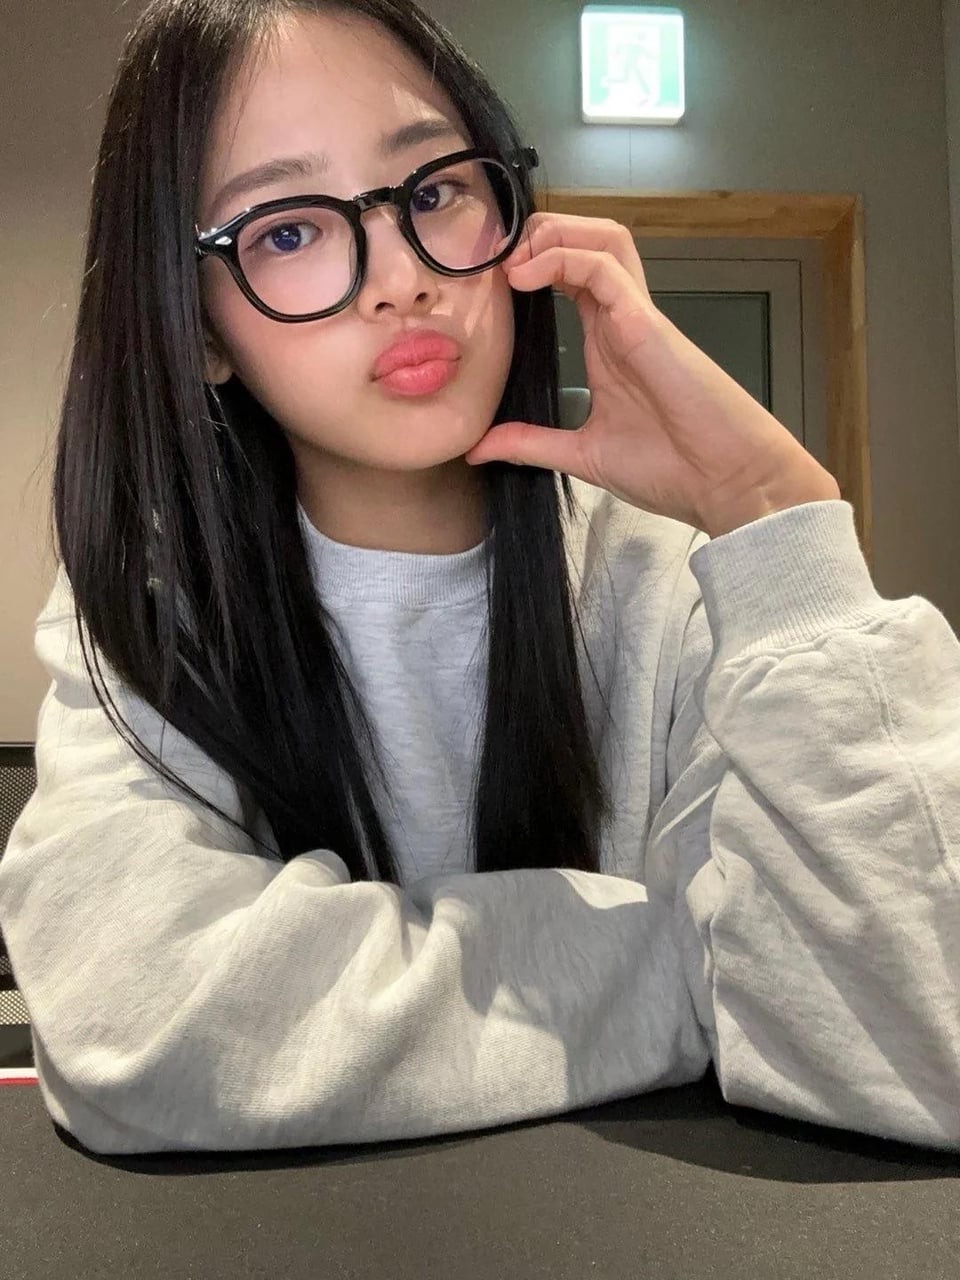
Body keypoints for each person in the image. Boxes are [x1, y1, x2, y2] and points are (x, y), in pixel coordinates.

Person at [0, 0, 958, 1157]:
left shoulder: (675, 588)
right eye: (288, 231)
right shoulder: (157, 613)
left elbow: (928, 1034)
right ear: (199, 327)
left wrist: (772, 513)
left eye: (434, 190)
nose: (403, 278)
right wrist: (706, 964)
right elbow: (147, 1026)